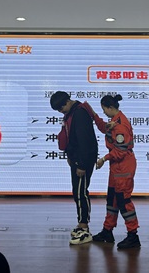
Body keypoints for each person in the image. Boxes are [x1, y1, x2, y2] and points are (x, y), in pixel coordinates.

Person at [90, 94, 141, 249]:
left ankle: (133, 235)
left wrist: (103, 159)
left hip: (123, 168)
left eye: (104, 110)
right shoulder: (115, 121)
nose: (104, 113)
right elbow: (104, 128)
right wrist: (93, 114)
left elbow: (121, 151)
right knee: (112, 199)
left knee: (123, 201)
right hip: (116, 169)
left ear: (110, 108)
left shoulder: (120, 126)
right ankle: (107, 231)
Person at [50, 91, 98, 245]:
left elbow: (85, 141)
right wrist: (71, 157)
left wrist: (82, 165)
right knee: (77, 192)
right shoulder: (72, 113)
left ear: (67, 102)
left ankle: (84, 227)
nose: (60, 112)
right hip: (76, 159)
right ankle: (81, 224)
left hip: (83, 161)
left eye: (60, 108)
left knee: (81, 193)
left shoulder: (80, 113)